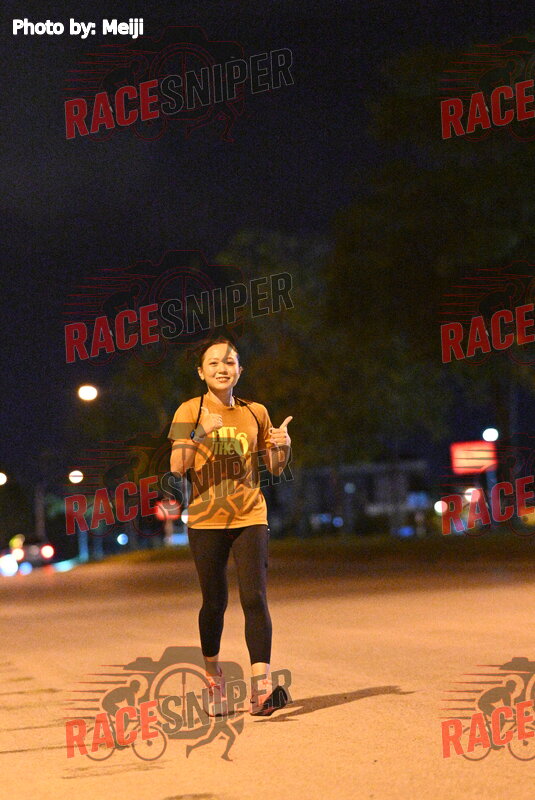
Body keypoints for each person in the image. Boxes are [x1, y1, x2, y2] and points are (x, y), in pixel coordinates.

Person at [168, 336, 292, 716]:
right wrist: (200, 432)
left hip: (250, 515)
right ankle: (214, 678)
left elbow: (275, 468)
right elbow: (177, 467)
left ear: (240, 369)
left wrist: (283, 446)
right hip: (206, 519)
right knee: (214, 602)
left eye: (230, 362)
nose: (222, 368)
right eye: (214, 363)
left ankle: (261, 689)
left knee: (255, 598)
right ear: (201, 372)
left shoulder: (256, 412)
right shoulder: (189, 410)